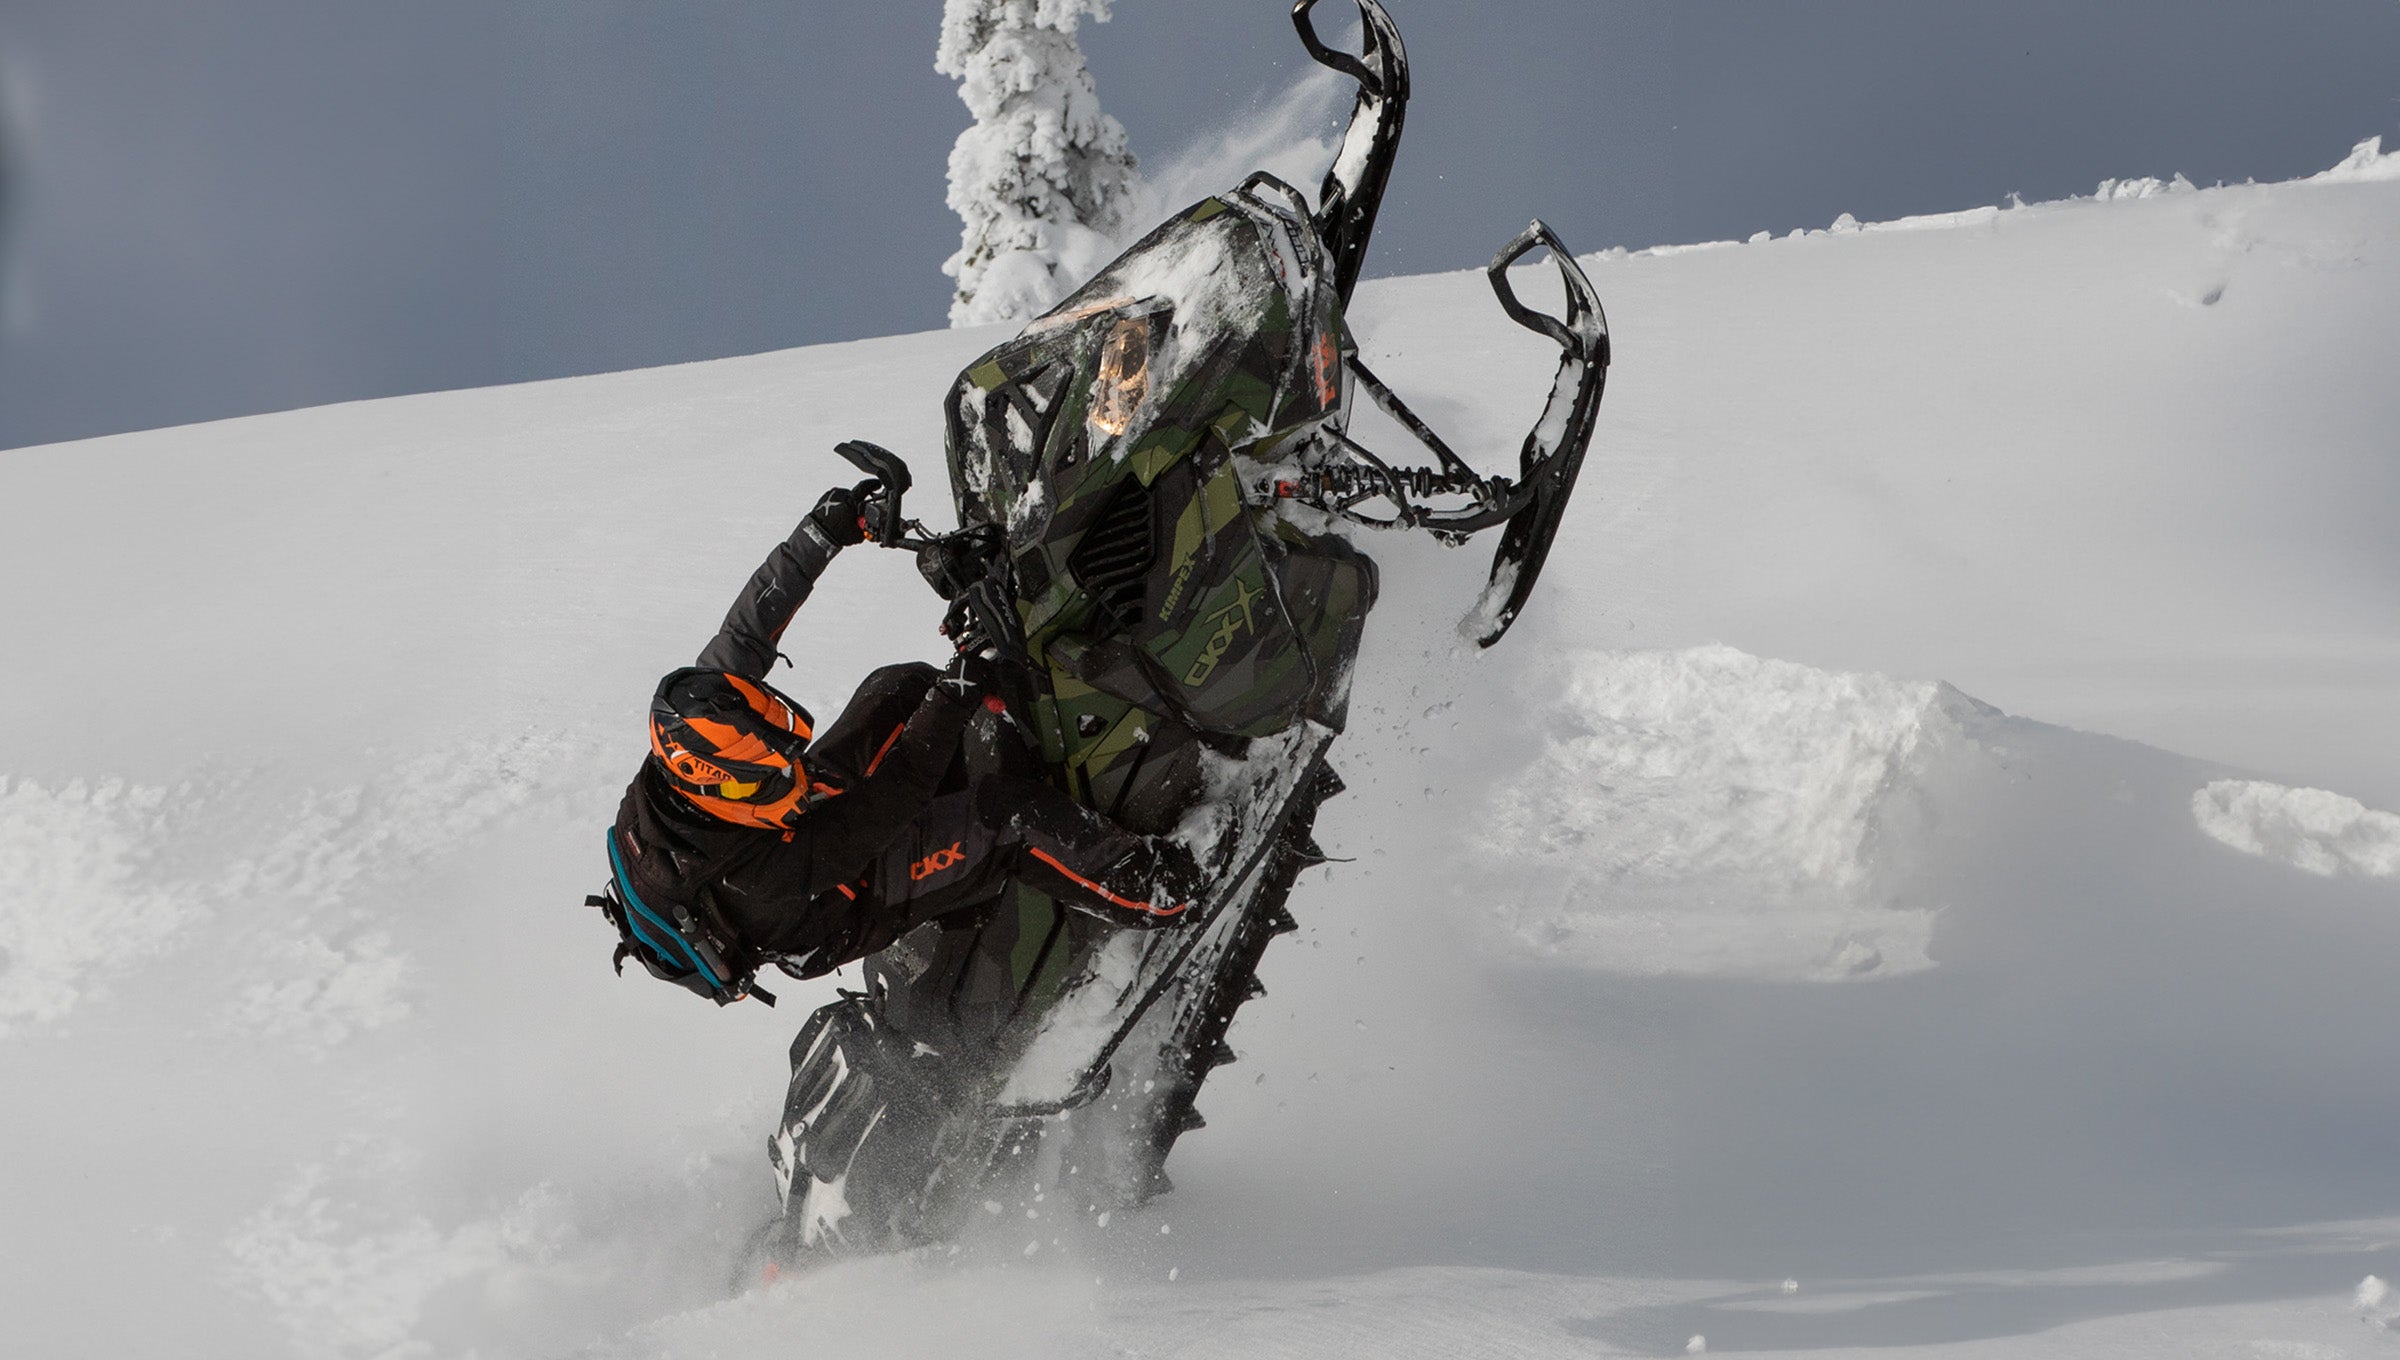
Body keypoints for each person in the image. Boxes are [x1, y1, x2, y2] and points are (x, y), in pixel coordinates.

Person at [593, 478, 1203, 1005]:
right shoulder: (765, 877)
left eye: (780, 758)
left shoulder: (698, 724)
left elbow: (747, 630)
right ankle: (1163, 895)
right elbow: (891, 798)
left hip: (797, 825)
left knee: (900, 686)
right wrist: (958, 689)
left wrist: (825, 531)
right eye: (770, 775)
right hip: (840, 896)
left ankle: (1027, 716)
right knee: (1009, 819)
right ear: (719, 789)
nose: (786, 770)